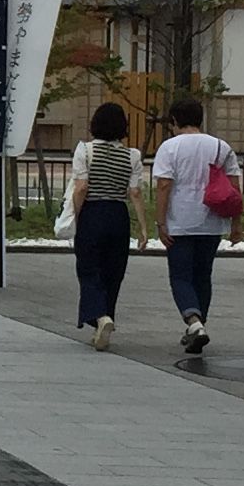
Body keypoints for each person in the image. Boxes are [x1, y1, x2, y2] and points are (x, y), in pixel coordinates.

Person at [150, 95, 243, 356]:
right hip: (212, 220)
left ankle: (193, 322)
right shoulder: (220, 147)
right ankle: (198, 325)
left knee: (180, 276)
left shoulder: (170, 148)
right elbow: (235, 187)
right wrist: (237, 223)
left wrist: (161, 221)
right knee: (203, 275)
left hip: (180, 221)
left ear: (175, 120)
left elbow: (164, 185)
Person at [66, 99, 149, 350]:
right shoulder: (132, 155)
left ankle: (100, 317)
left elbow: (81, 188)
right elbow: (134, 192)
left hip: (92, 212)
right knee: (113, 272)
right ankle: (106, 320)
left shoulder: (86, 151)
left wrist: (77, 218)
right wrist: (143, 227)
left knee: (89, 270)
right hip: (118, 215)